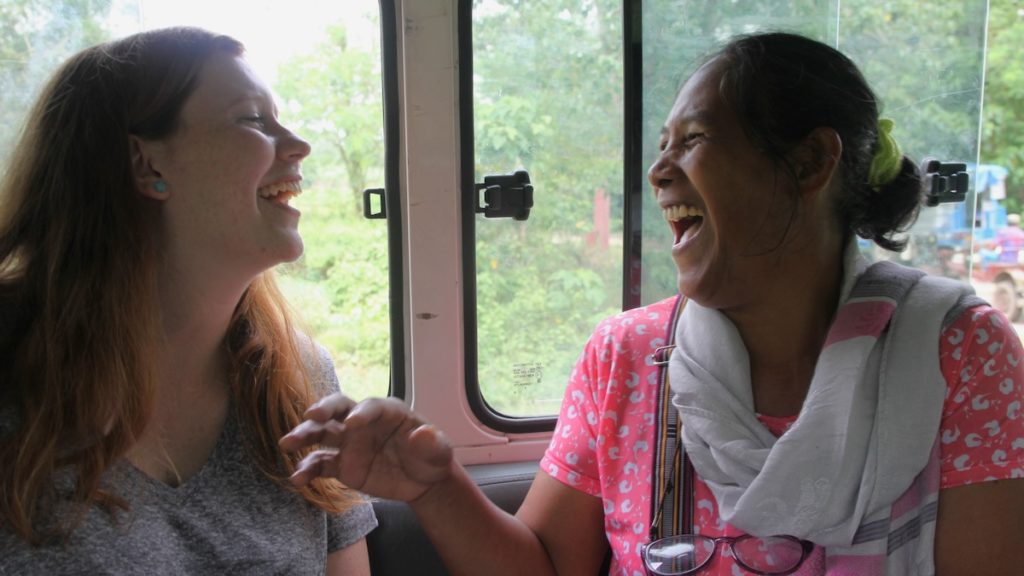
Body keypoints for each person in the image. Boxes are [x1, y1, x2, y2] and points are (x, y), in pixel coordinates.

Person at [281, 32, 1024, 575]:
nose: (659, 171)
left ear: (809, 162)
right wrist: (438, 487)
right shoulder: (630, 356)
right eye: (661, 145)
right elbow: (542, 569)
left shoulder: (957, 351)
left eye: (693, 140)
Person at [0, 27, 375, 574]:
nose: (298, 146)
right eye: (252, 120)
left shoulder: (299, 379)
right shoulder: (11, 370)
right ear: (147, 166)